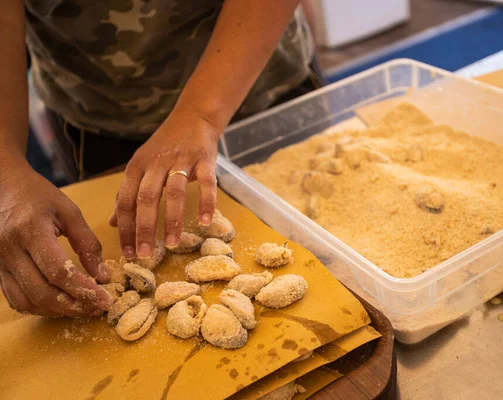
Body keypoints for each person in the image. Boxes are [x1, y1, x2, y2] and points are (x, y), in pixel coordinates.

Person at [0, 0, 319, 317]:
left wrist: (202, 113)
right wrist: (6, 172)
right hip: (98, 114)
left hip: (255, 79)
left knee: (317, 237)